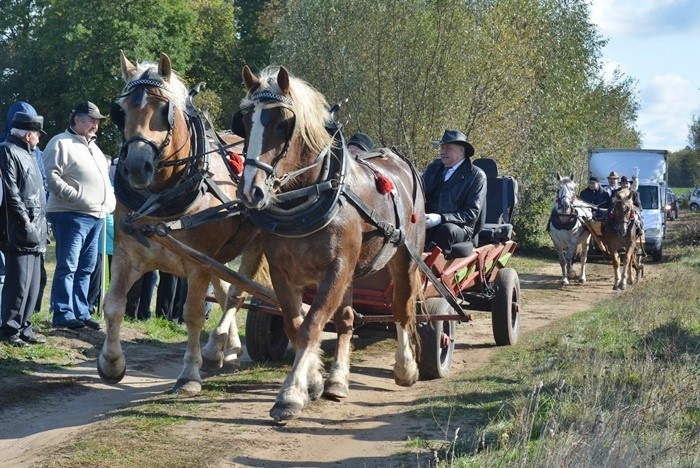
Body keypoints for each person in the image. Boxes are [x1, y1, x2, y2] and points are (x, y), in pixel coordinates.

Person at [44, 101, 116, 330]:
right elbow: (51, 177)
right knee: (68, 265)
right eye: (91, 120)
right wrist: (76, 197)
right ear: (77, 119)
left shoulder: (94, 147)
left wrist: (108, 202)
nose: (96, 125)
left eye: (97, 121)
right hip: (70, 214)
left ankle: (81, 311)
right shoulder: (60, 143)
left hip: (96, 215)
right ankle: (63, 313)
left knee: (87, 267)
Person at [0, 112, 49, 346]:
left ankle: (25, 326)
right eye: (38, 134)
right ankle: (10, 330)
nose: (39, 138)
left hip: (36, 228)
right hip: (19, 230)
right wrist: (25, 224)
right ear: (29, 134)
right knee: (18, 284)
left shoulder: (29, 154)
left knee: (34, 285)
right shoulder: (8, 150)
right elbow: (12, 194)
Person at [422, 129, 487, 256]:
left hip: (460, 227)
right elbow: (419, 191)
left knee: (446, 230)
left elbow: (471, 213)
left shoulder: (476, 176)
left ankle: (431, 271)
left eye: (448, 148)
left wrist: (441, 218)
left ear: (461, 150)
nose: (443, 152)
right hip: (428, 220)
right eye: (442, 148)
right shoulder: (434, 168)